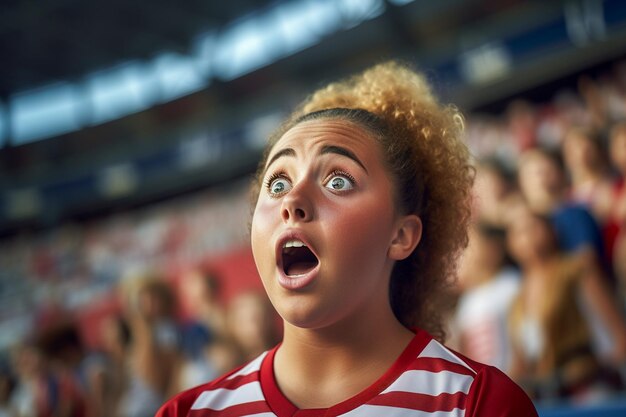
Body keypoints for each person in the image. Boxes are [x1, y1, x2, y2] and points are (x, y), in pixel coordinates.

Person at [156, 61, 537, 416]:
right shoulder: (187, 412)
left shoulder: (480, 404)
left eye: (338, 181)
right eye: (278, 182)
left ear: (401, 235)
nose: (292, 200)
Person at [505, 205, 626, 401]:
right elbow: (521, 363)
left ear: (552, 232)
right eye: (518, 232)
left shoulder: (577, 270)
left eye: (533, 227)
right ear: (510, 245)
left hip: (592, 391)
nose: (527, 236)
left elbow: (618, 335)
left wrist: (596, 368)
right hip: (547, 398)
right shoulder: (517, 298)